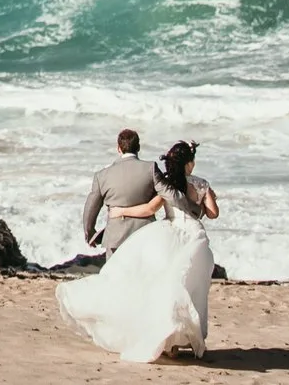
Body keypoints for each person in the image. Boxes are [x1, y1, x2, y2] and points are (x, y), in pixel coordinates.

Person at [56, 139, 220, 363]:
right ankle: (190, 339)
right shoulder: (201, 185)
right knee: (194, 289)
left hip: (170, 235)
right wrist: (200, 202)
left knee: (169, 286)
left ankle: (170, 342)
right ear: (190, 163)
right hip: (194, 237)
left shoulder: (168, 186)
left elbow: (149, 209)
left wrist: (121, 210)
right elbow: (213, 213)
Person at [80, 129, 160, 256]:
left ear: (118, 148)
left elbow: (91, 207)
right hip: (145, 234)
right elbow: (166, 193)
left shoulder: (102, 175)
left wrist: (89, 233)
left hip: (115, 238)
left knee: (115, 275)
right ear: (138, 147)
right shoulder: (151, 168)